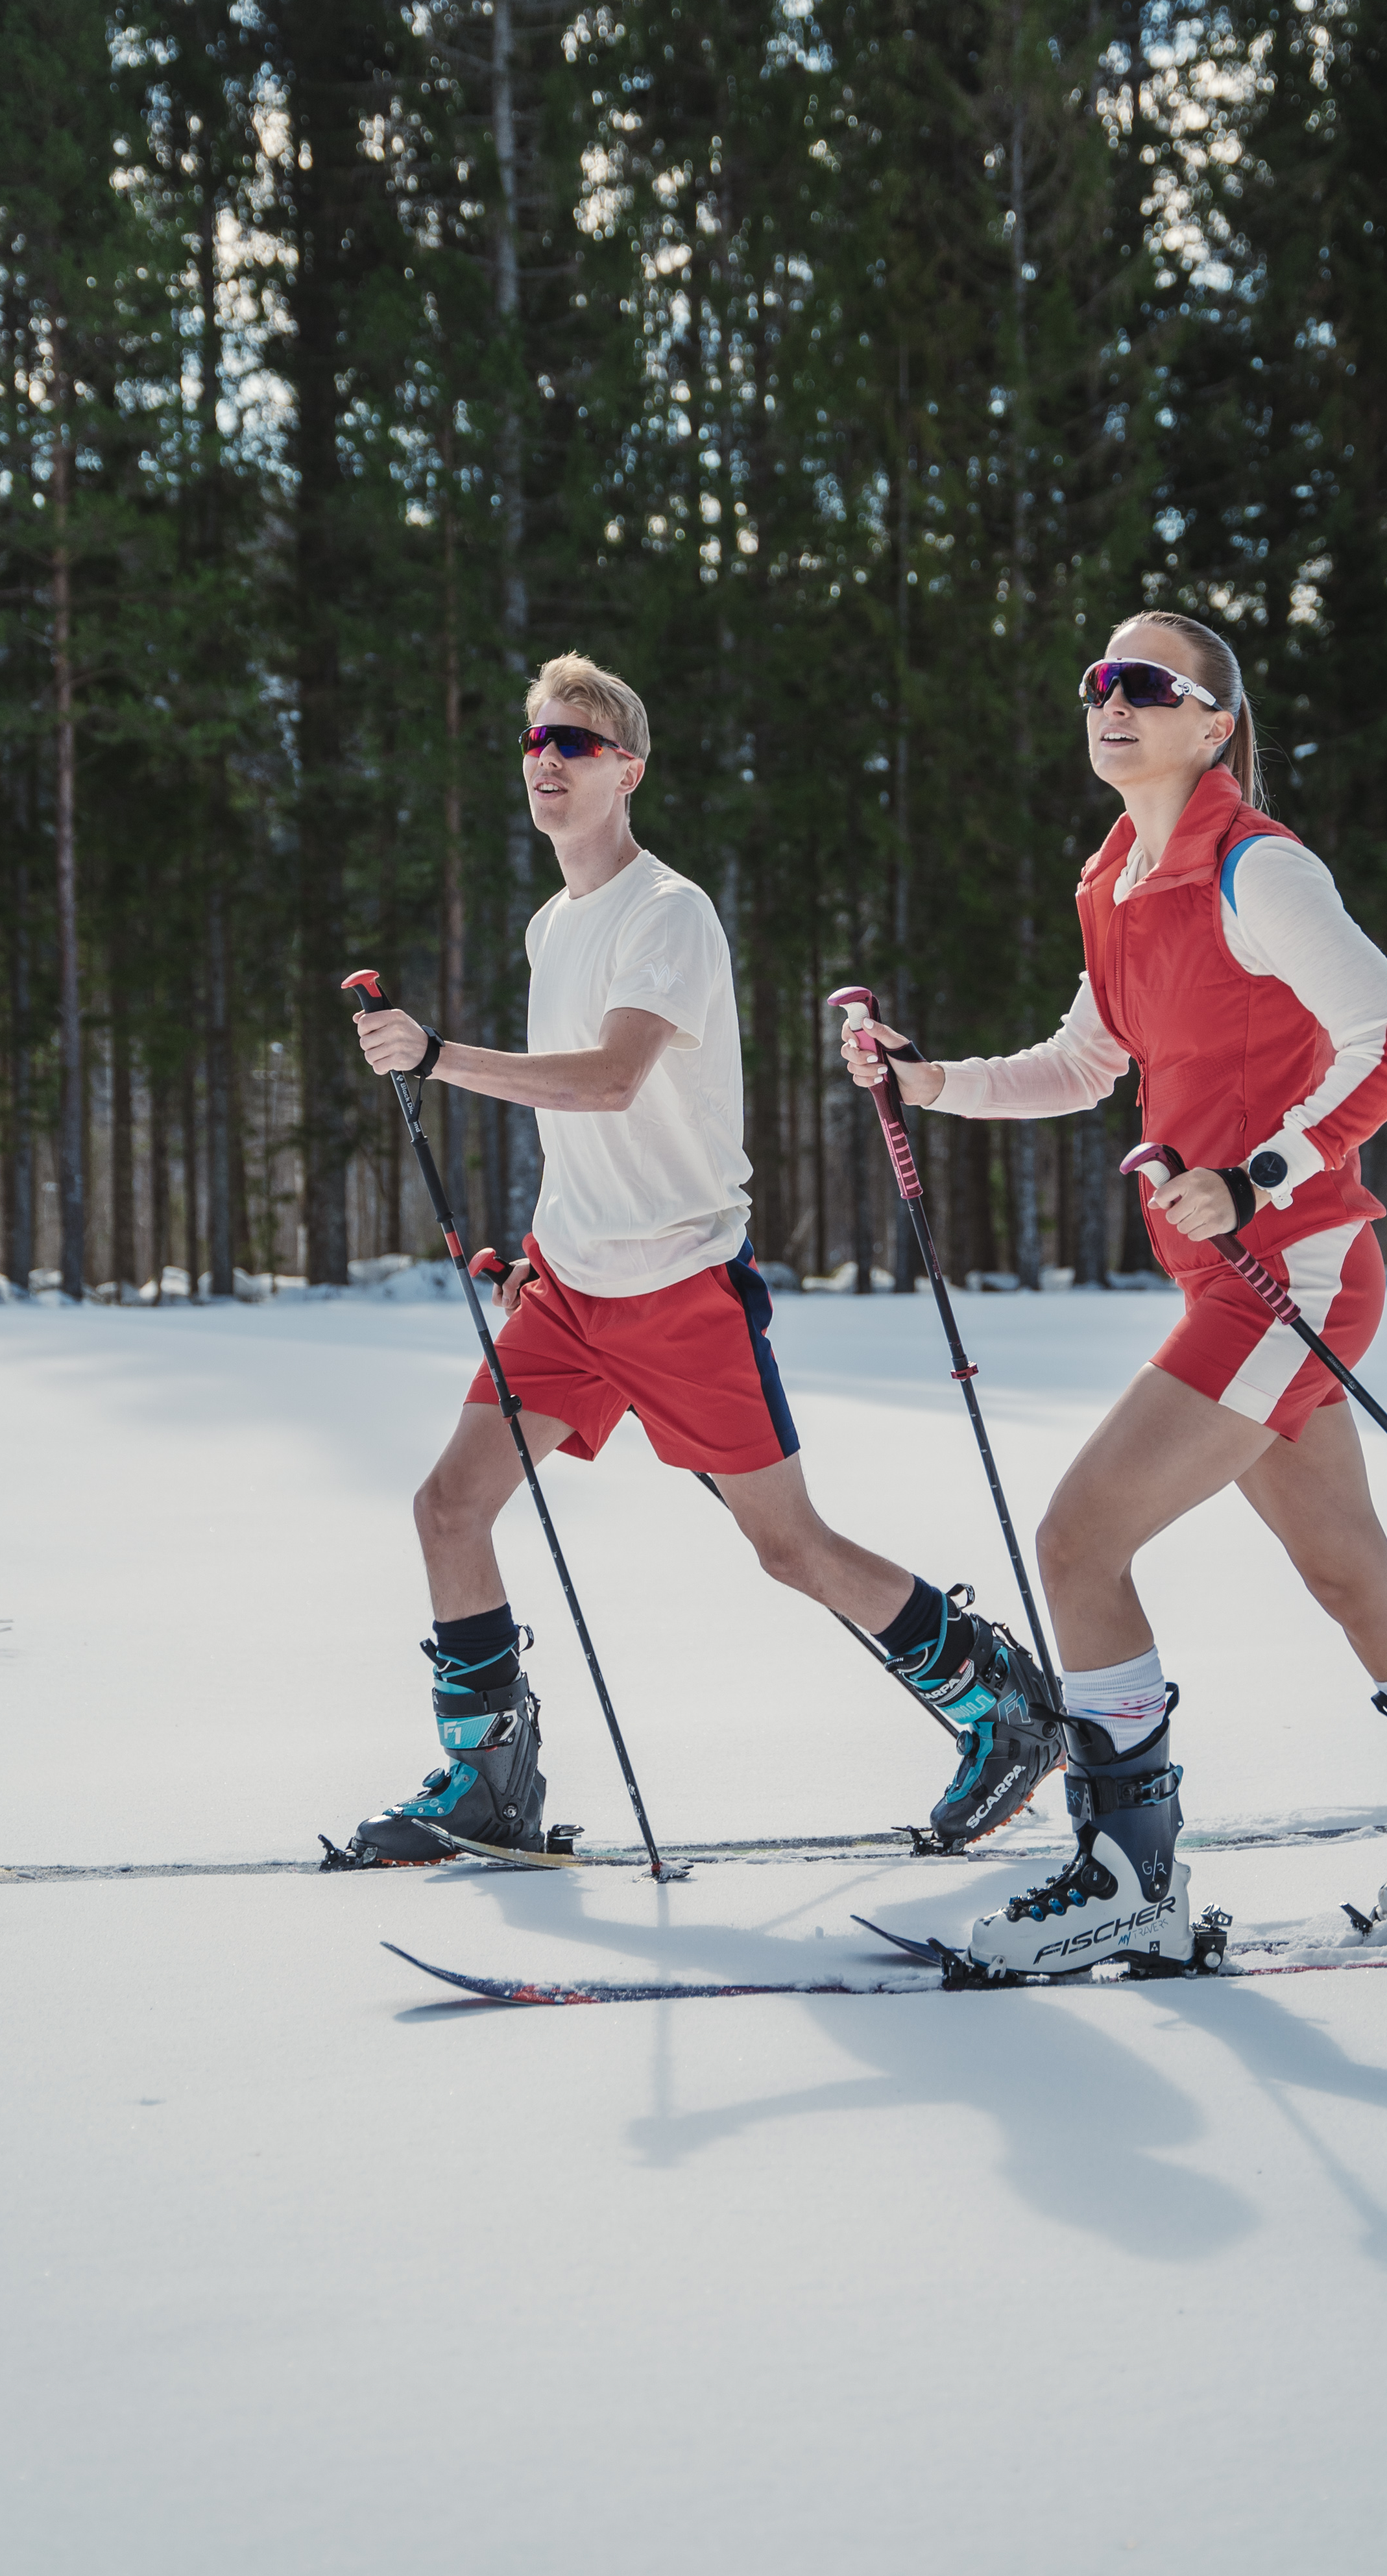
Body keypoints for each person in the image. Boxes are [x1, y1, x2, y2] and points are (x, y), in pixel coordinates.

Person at [841, 610, 1387, 1970]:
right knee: (1350, 1569)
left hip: (1282, 1270)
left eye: (1146, 685)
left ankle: (1130, 1872)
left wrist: (1257, 1174)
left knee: (1077, 1541)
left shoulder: (1259, 869)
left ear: (1213, 724)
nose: (1109, 702)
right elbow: (1083, 1062)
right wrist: (929, 1080)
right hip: (1240, 1267)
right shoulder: (1118, 875)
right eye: (1097, 682)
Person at [343, 651, 1059, 1865]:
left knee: (790, 1548)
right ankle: (488, 1781)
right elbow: (578, 1124)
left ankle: (1003, 1707)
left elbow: (614, 1081)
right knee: (449, 1507)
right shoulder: (549, 924)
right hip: (569, 1292)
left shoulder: (667, 913)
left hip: (682, 1291)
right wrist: (536, 1254)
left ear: (627, 768)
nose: (546, 763)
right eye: (532, 743)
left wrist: (436, 1058)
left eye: (573, 743)